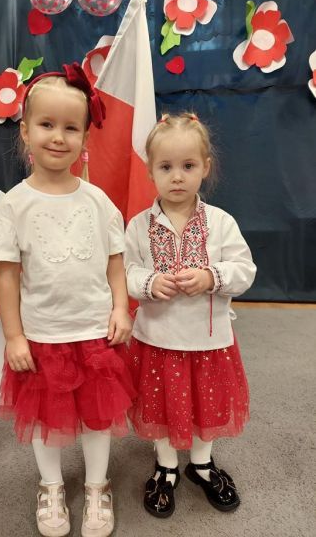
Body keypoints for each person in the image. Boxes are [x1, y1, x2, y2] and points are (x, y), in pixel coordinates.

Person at [0, 62, 135, 537]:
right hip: (42, 334)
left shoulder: (98, 202)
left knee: (98, 416)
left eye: (71, 128)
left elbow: (115, 262)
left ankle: (98, 486)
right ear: (25, 132)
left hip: (95, 331)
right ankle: (50, 486)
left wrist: (120, 307)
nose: (59, 137)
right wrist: (14, 336)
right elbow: (7, 277)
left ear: (85, 138)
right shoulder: (14, 205)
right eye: (47, 124)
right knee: (46, 418)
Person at [123, 112, 256, 518]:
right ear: (150, 171)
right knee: (160, 404)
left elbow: (245, 270)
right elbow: (124, 272)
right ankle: (165, 465)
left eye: (188, 166)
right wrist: (148, 282)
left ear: (205, 168)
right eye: (166, 167)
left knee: (207, 403)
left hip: (208, 340)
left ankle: (201, 462)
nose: (177, 177)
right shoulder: (138, 226)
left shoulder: (221, 223)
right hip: (157, 339)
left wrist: (212, 276)